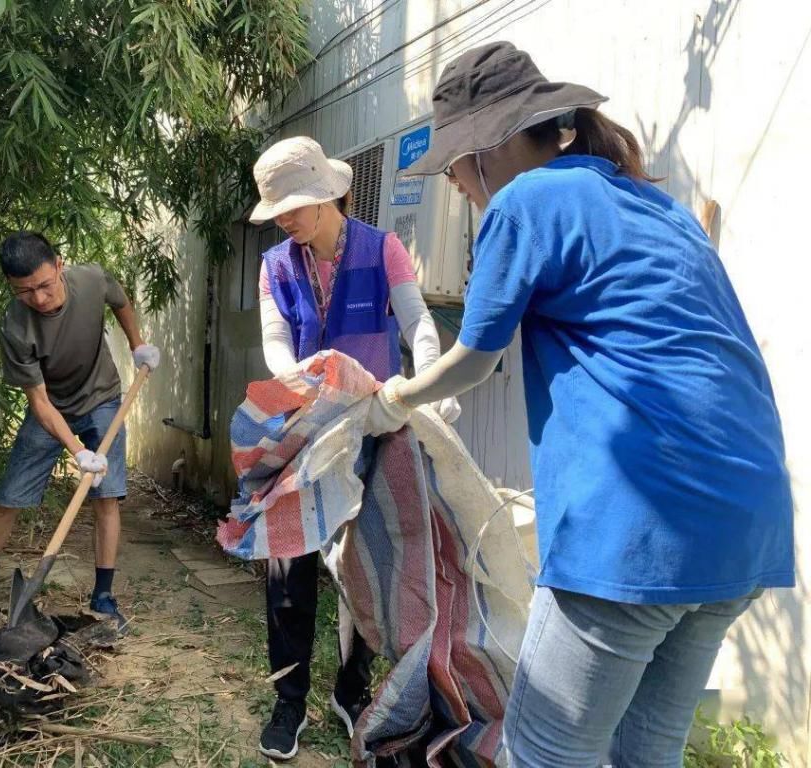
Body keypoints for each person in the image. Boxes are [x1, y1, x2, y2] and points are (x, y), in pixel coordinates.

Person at [364, 42, 794, 766]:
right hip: (747, 525)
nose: (460, 189)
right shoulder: (662, 209)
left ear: (489, 149)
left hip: (639, 527)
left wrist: (396, 396)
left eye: (455, 170)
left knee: (544, 751)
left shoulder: (526, 199)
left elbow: (476, 359)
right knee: (645, 750)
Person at [248, 136, 461, 760]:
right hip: (310, 426)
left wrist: (424, 386)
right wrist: (295, 384)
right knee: (288, 562)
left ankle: (352, 688)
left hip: (376, 423)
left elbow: (418, 322)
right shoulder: (276, 264)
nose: (285, 219)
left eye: (293, 206)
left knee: (371, 562)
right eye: (277, 210)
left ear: (327, 196)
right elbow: (275, 337)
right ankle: (288, 703)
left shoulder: (381, 248)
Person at [0, 232, 160, 633]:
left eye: (44, 285)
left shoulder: (89, 280)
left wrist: (138, 343)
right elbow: (38, 402)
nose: (38, 298)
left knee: (106, 498)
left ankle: (103, 596)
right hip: (51, 408)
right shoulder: (15, 325)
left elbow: (119, 298)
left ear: (59, 265)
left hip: (103, 398)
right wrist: (77, 451)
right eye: (24, 291)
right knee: (9, 499)